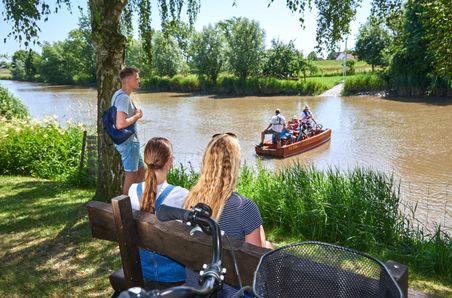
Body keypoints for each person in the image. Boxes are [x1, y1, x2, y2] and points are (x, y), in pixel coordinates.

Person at [183, 133, 272, 297]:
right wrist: (266, 246)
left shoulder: (190, 200)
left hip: (196, 285)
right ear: (234, 165)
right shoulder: (244, 207)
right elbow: (255, 267)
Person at [128, 137, 189, 288]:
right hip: (174, 275)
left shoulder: (133, 190)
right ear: (169, 162)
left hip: (143, 269)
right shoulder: (181, 195)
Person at [113, 67, 145, 195]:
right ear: (128, 81)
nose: (139, 80)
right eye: (136, 78)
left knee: (142, 172)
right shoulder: (123, 98)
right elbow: (120, 124)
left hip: (131, 142)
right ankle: (124, 207)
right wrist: (137, 116)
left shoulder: (119, 94)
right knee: (131, 175)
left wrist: (135, 113)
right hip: (129, 143)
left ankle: (137, 202)